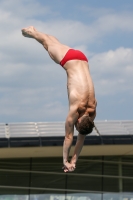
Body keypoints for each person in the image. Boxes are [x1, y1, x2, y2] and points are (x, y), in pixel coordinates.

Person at [21, 26, 97, 172]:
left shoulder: (92, 110)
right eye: (77, 124)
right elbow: (69, 138)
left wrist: (73, 161)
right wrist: (65, 161)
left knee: (52, 43)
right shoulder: (76, 110)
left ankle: (35, 32)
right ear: (79, 120)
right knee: (45, 43)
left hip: (82, 59)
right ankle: (29, 31)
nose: (75, 125)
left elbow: (81, 138)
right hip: (69, 60)